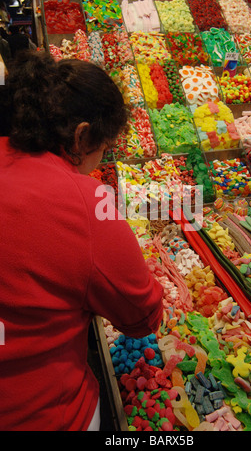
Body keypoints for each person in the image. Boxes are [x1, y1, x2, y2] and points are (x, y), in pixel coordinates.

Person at [0, 51, 164, 431]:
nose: (103, 155)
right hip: (39, 412)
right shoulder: (87, 201)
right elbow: (143, 316)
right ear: (82, 135)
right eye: (104, 145)